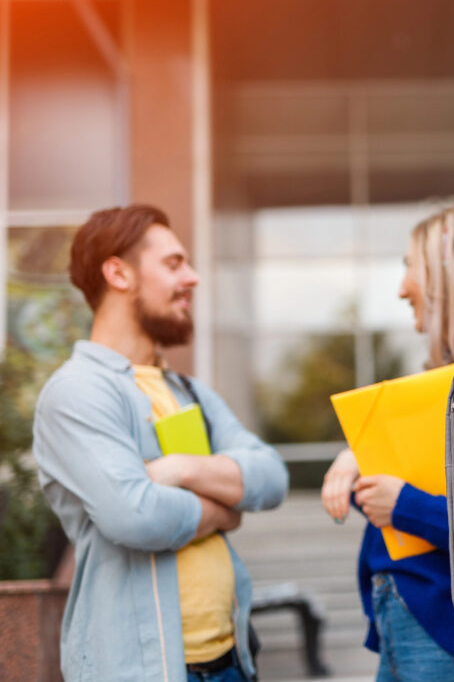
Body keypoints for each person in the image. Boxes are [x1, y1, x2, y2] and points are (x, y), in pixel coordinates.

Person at [33, 204, 289, 682]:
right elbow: (137, 515)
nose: (191, 278)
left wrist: (182, 470)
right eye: (174, 264)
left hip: (232, 663)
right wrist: (224, 511)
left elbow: (272, 476)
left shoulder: (189, 391)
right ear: (118, 273)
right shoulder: (78, 393)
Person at [321, 202, 454, 682]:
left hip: (448, 632)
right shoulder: (451, 384)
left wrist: (403, 506)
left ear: (450, 277)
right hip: (409, 620)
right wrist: (360, 464)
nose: (401, 288)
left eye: (409, 267)